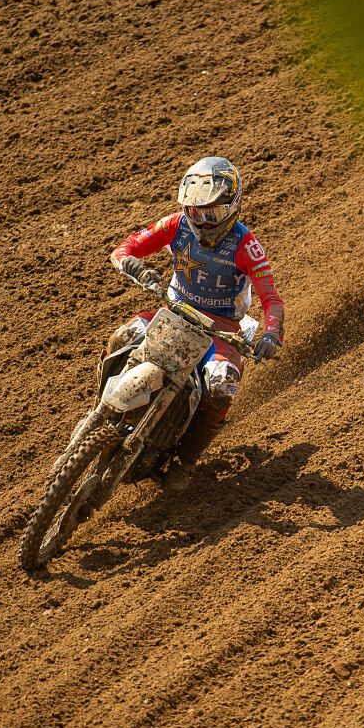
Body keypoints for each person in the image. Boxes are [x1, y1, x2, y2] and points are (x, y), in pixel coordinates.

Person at [107, 156, 285, 492]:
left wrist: (271, 334)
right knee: (123, 336)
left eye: (212, 214)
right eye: (196, 212)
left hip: (222, 330)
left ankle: (186, 461)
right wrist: (132, 264)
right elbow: (125, 248)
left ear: (233, 206)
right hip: (175, 310)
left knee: (222, 387)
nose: (202, 222)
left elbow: (271, 299)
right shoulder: (176, 225)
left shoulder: (247, 245)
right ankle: (101, 410)